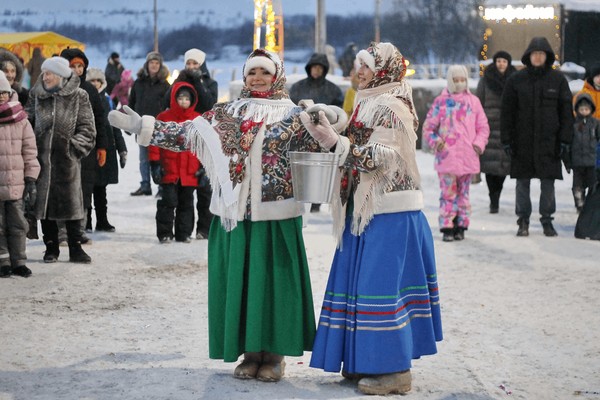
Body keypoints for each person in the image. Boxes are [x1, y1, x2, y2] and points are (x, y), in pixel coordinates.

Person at [108, 48, 349, 382]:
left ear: (276, 76)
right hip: (234, 214)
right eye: (252, 73)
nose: (258, 79)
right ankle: (250, 354)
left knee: (273, 286)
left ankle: (274, 354)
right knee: (243, 285)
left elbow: (326, 139)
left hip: (276, 218)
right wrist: (142, 126)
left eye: (265, 72)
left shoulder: (295, 114)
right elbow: (187, 134)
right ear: (244, 77)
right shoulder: (226, 113)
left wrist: (332, 118)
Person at [306, 42, 442, 396]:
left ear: (384, 69)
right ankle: (364, 361)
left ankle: (395, 370)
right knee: (362, 286)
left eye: (366, 66)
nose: (359, 72)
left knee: (381, 289)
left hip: (391, 210)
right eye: (357, 65)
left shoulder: (394, 105)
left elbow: (382, 155)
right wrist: (333, 122)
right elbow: (356, 134)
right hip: (366, 209)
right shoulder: (368, 100)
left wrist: (338, 142)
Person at [501, 37, 574, 237]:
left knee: (548, 183)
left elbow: (566, 112)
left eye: (542, 54)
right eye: (535, 54)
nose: (538, 57)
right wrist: (506, 140)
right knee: (522, 183)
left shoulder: (558, 80)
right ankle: (523, 221)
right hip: (522, 142)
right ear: (529, 56)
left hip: (549, 143)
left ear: (547, 56)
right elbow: (506, 113)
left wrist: (565, 140)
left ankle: (547, 220)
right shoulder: (516, 80)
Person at [25, 57, 96, 263]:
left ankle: (75, 247)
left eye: (49, 73)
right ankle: (51, 247)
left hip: (67, 160)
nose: (45, 77)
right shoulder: (36, 95)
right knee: (44, 205)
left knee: (71, 203)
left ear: (61, 75)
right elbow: (27, 122)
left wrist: (72, 148)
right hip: (41, 160)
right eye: (44, 73)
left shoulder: (79, 96)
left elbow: (88, 129)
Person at [423, 65, 490, 242]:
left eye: (463, 79)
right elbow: (429, 127)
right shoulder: (441, 102)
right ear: (450, 81)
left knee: (464, 194)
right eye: (456, 80)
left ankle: (461, 225)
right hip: (447, 157)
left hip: (468, 156)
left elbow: (483, 127)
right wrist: (437, 142)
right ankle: (447, 225)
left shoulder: (473, 102)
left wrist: (478, 144)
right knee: (448, 194)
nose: (460, 83)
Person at [160, 48, 218, 239]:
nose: (192, 67)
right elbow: (167, 100)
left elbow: (209, 104)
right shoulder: (180, 83)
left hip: (204, 137)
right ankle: (179, 230)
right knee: (185, 188)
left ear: (202, 65)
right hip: (183, 136)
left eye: (195, 64)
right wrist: (180, 80)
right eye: (189, 64)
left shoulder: (211, 83)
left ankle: (204, 228)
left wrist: (197, 82)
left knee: (204, 188)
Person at [60, 48, 108, 241]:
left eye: (80, 66)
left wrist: (102, 146)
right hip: (62, 146)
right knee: (63, 188)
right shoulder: (59, 87)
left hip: (87, 147)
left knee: (83, 189)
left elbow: (100, 119)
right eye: (73, 66)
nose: (77, 70)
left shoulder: (89, 89)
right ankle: (62, 231)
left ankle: (79, 230)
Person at [289, 52, 343, 212]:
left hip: (323, 134)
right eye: (314, 67)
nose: (316, 71)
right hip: (300, 132)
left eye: (320, 68)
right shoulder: (298, 87)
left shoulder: (333, 89)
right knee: (299, 166)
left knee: (319, 167)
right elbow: (290, 108)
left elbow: (337, 112)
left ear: (324, 70)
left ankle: (316, 201)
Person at [0, 71, 40, 278]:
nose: (1, 95)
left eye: (4, 91)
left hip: (15, 183)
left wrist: (31, 178)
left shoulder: (21, 119)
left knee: (17, 224)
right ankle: (3, 261)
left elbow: (30, 151)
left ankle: (19, 261)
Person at [150, 83, 201, 243]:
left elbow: (204, 146)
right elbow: (155, 142)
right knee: (168, 202)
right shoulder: (164, 118)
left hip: (190, 170)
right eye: (180, 98)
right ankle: (164, 233)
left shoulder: (197, 120)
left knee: (187, 203)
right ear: (174, 99)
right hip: (169, 169)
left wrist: (204, 168)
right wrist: (155, 163)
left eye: (187, 98)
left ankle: (183, 233)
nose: (184, 101)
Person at [86, 67, 128, 231]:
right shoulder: (83, 98)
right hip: (89, 148)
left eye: (98, 81)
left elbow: (115, 126)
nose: (95, 84)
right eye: (92, 81)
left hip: (106, 148)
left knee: (101, 189)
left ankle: (102, 220)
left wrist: (122, 148)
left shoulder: (108, 101)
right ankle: (87, 221)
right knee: (87, 188)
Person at [476, 51, 516, 213]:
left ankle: (497, 193)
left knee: (504, 166)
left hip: (507, 126)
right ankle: (493, 198)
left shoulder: (514, 79)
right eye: (498, 61)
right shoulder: (485, 80)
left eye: (504, 61)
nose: (501, 64)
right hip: (489, 127)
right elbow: (479, 103)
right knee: (489, 166)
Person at [128, 51, 170, 196]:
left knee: (160, 158)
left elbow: (168, 106)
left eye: (157, 63)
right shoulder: (138, 83)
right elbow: (132, 103)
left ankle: (161, 187)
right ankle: (145, 185)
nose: (154, 65)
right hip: (141, 126)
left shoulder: (165, 85)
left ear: (160, 65)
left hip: (158, 127)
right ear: (147, 64)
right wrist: (130, 123)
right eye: (152, 62)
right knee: (143, 158)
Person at [570, 93, 600, 211]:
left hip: (592, 161)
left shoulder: (596, 123)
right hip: (577, 161)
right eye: (581, 109)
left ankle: (592, 205)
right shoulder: (574, 124)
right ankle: (579, 204)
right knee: (577, 186)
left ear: (591, 109)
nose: (584, 111)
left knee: (593, 185)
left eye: (586, 109)